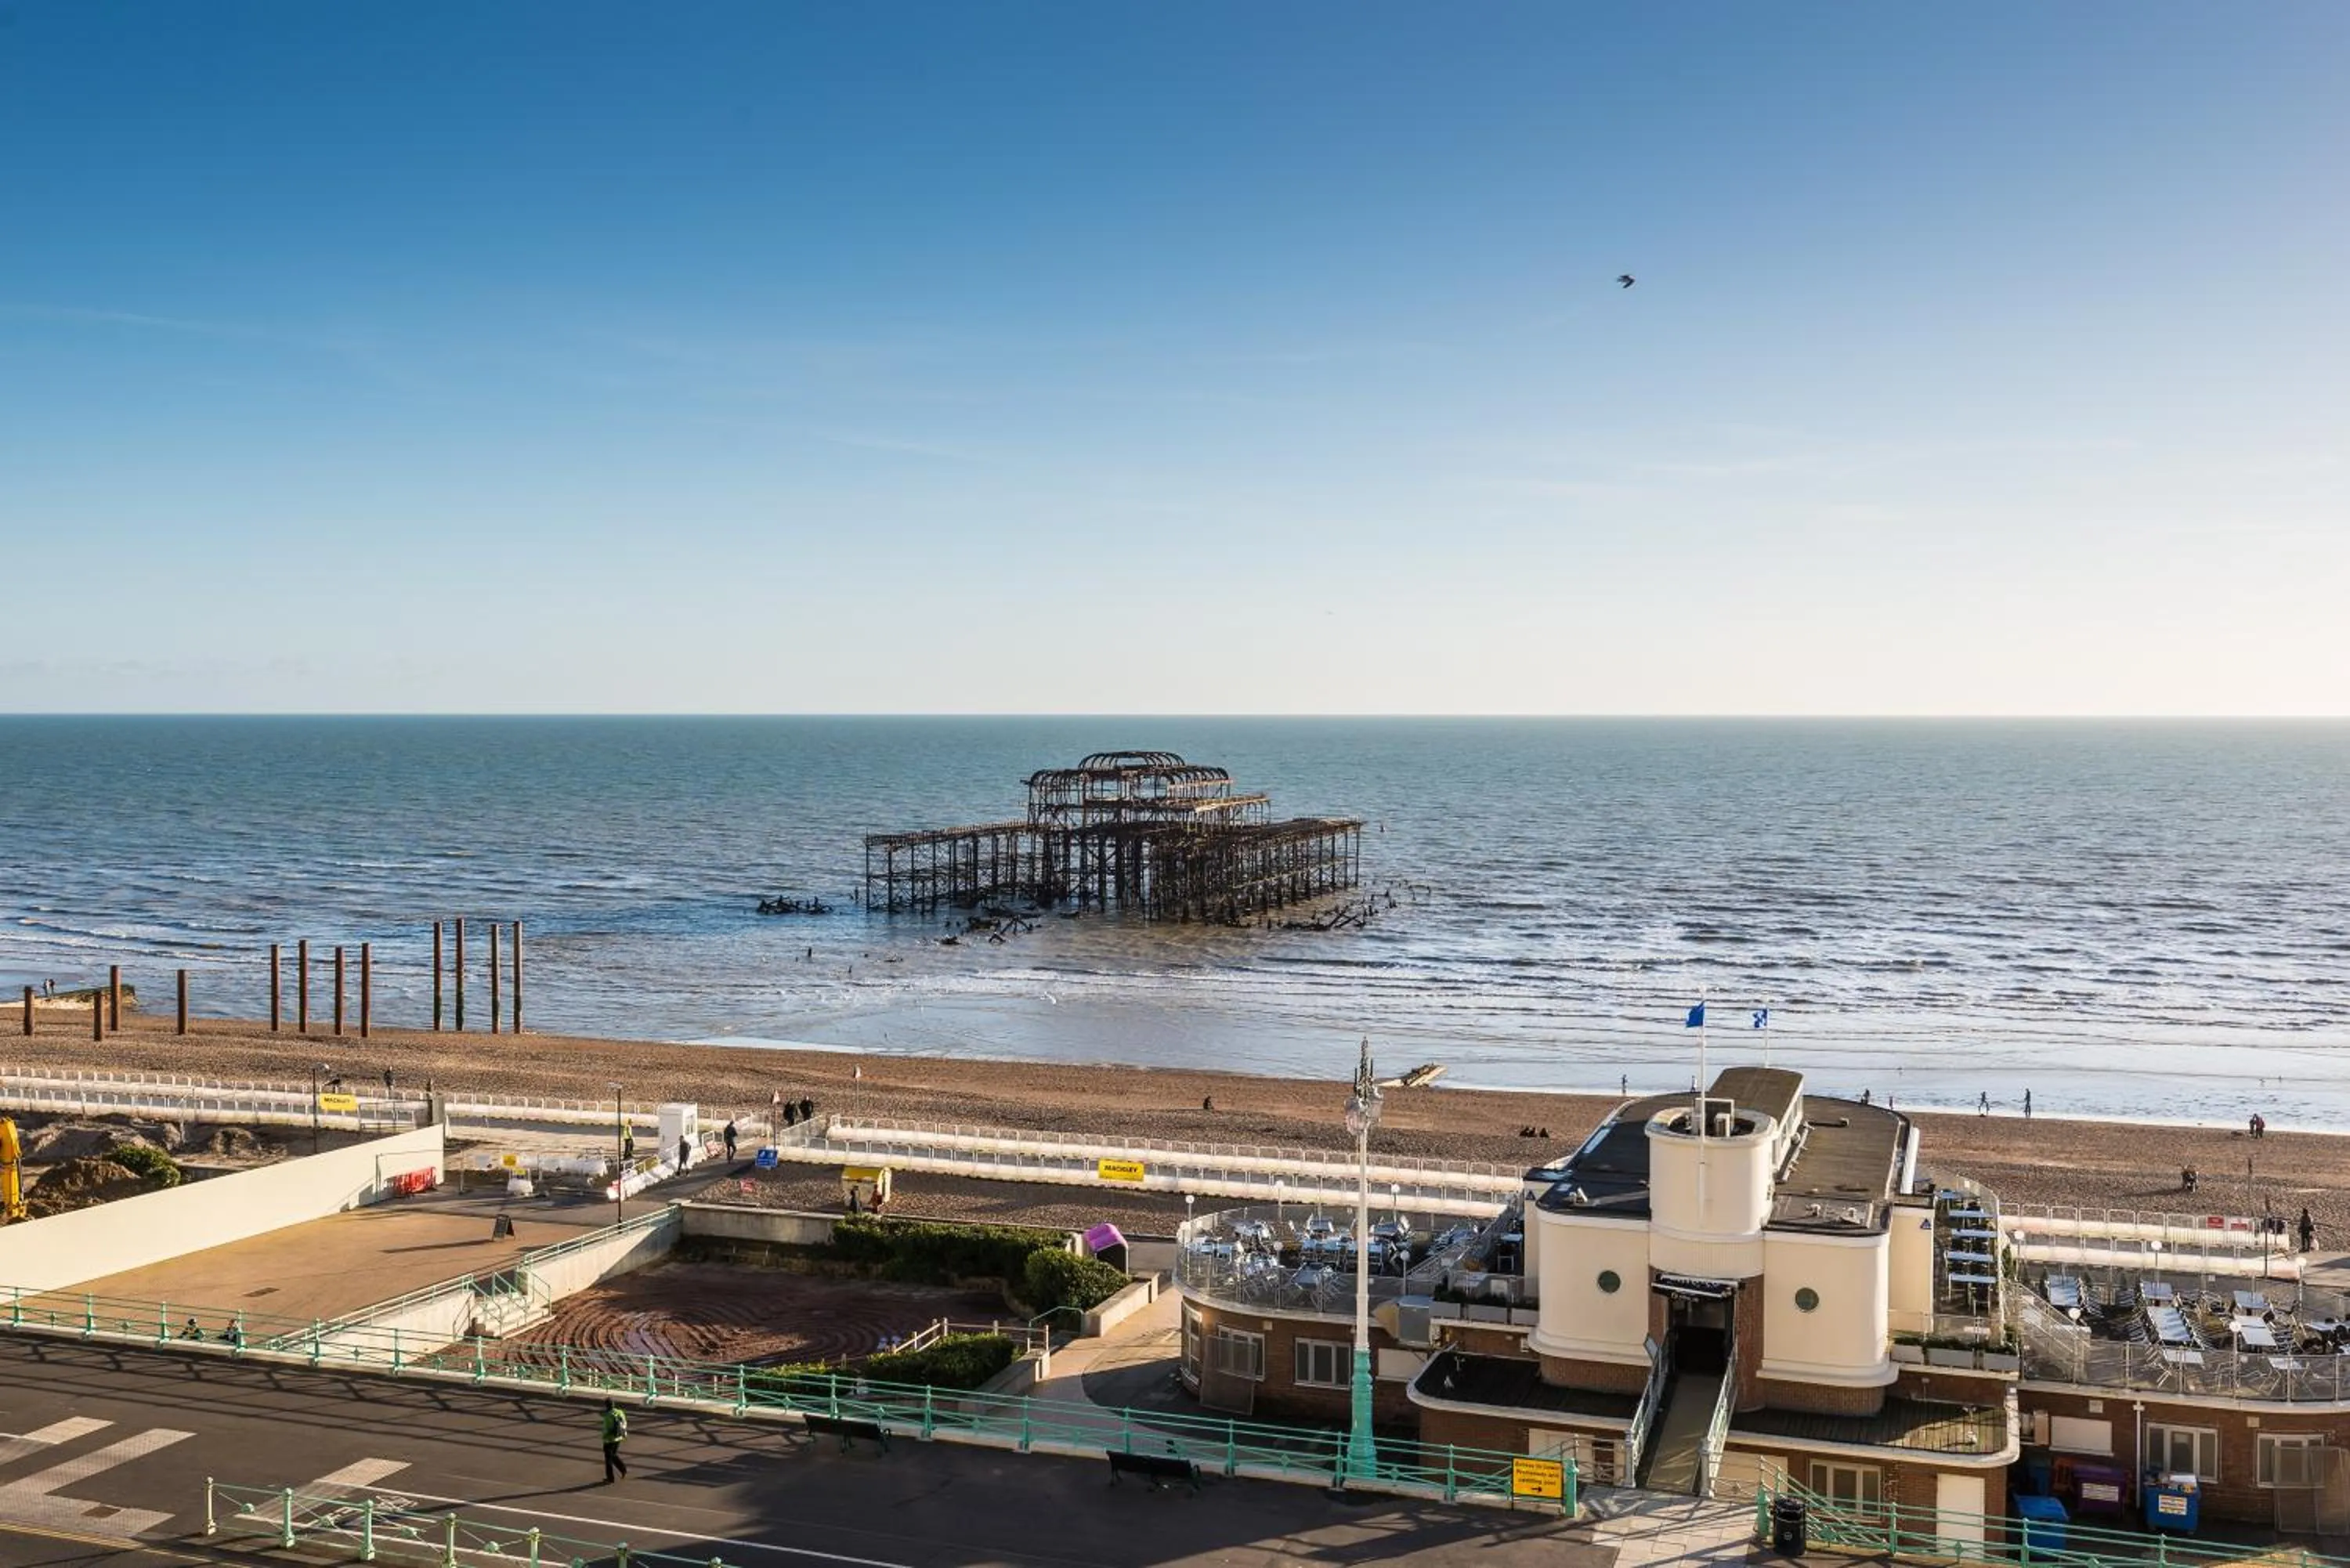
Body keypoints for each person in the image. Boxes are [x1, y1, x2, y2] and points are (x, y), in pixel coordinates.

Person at [599, 1398, 629, 1484]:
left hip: (609, 1439)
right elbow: (624, 1423)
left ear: (606, 1406)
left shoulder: (608, 1416)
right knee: (613, 1455)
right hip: (619, 1437)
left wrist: (604, 1436)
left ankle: (610, 1478)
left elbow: (607, 1428)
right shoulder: (620, 1412)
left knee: (608, 1459)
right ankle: (623, 1469)